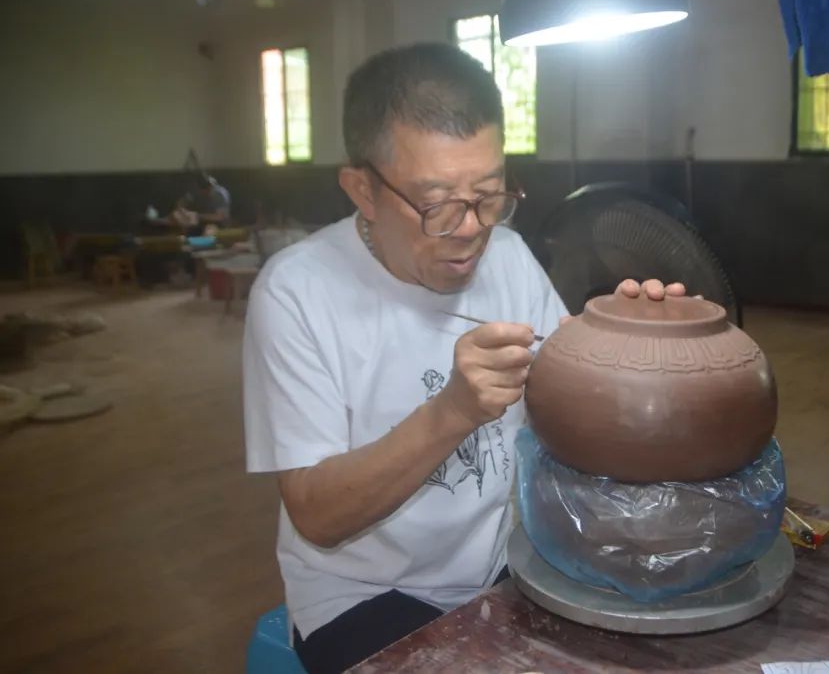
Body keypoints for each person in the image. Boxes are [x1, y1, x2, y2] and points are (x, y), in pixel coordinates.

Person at [241, 42, 686, 674]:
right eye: (438, 204)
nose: (471, 228)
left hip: (504, 562)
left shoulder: (507, 254)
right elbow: (317, 515)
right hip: (364, 595)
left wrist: (626, 340)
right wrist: (452, 410)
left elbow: (570, 409)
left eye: (488, 194)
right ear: (362, 190)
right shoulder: (296, 293)